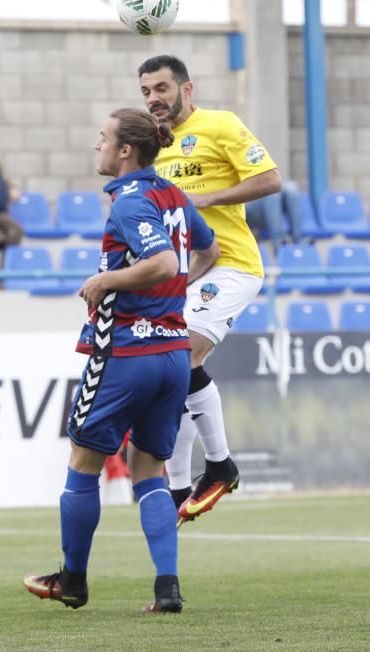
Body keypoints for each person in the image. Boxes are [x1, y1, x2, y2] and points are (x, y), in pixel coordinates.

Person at [23, 108, 219, 614]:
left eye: (103, 137)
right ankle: (167, 589)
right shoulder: (174, 196)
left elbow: (163, 262)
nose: (97, 146)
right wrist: (172, 299)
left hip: (127, 352)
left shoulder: (131, 202)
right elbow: (207, 250)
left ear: (126, 150)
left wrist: (107, 280)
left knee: (83, 461)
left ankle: (73, 580)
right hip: (173, 353)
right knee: (149, 470)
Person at [138, 55, 281, 525]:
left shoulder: (220, 124)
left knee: (182, 355)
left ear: (186, 89)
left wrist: (205, 198)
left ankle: (220, 464)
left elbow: (270, 180)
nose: (154, 98)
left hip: (232, 263)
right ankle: (179, 484)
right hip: (186, 273)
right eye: (146, 92)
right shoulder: (152, 146)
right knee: (169, 377)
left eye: (161, 88)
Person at [246, 179, 308, 252]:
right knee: (273, 192)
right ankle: (278, 244)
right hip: (247, 205)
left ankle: (298, 240)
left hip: (269, 201)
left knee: (291, 188)